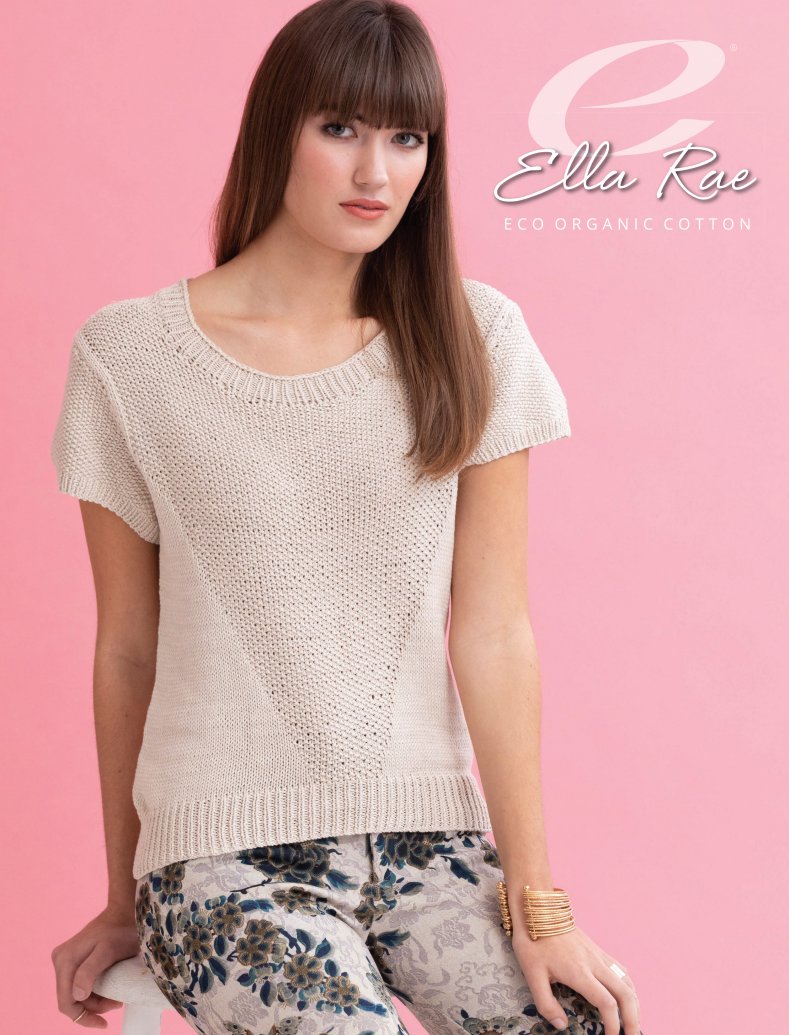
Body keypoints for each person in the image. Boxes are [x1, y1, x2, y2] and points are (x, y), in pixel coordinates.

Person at [49, 1, 643, 1033]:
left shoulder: (472, 337)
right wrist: (122, 895)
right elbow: (129, 649)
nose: (376, 172)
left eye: (407, 138)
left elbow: (495, 632)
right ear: (274, 130)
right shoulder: (129, 357)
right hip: (220, 861)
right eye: (339, 128)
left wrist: (538, 905)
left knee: (581, 1023)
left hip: (432, 846)